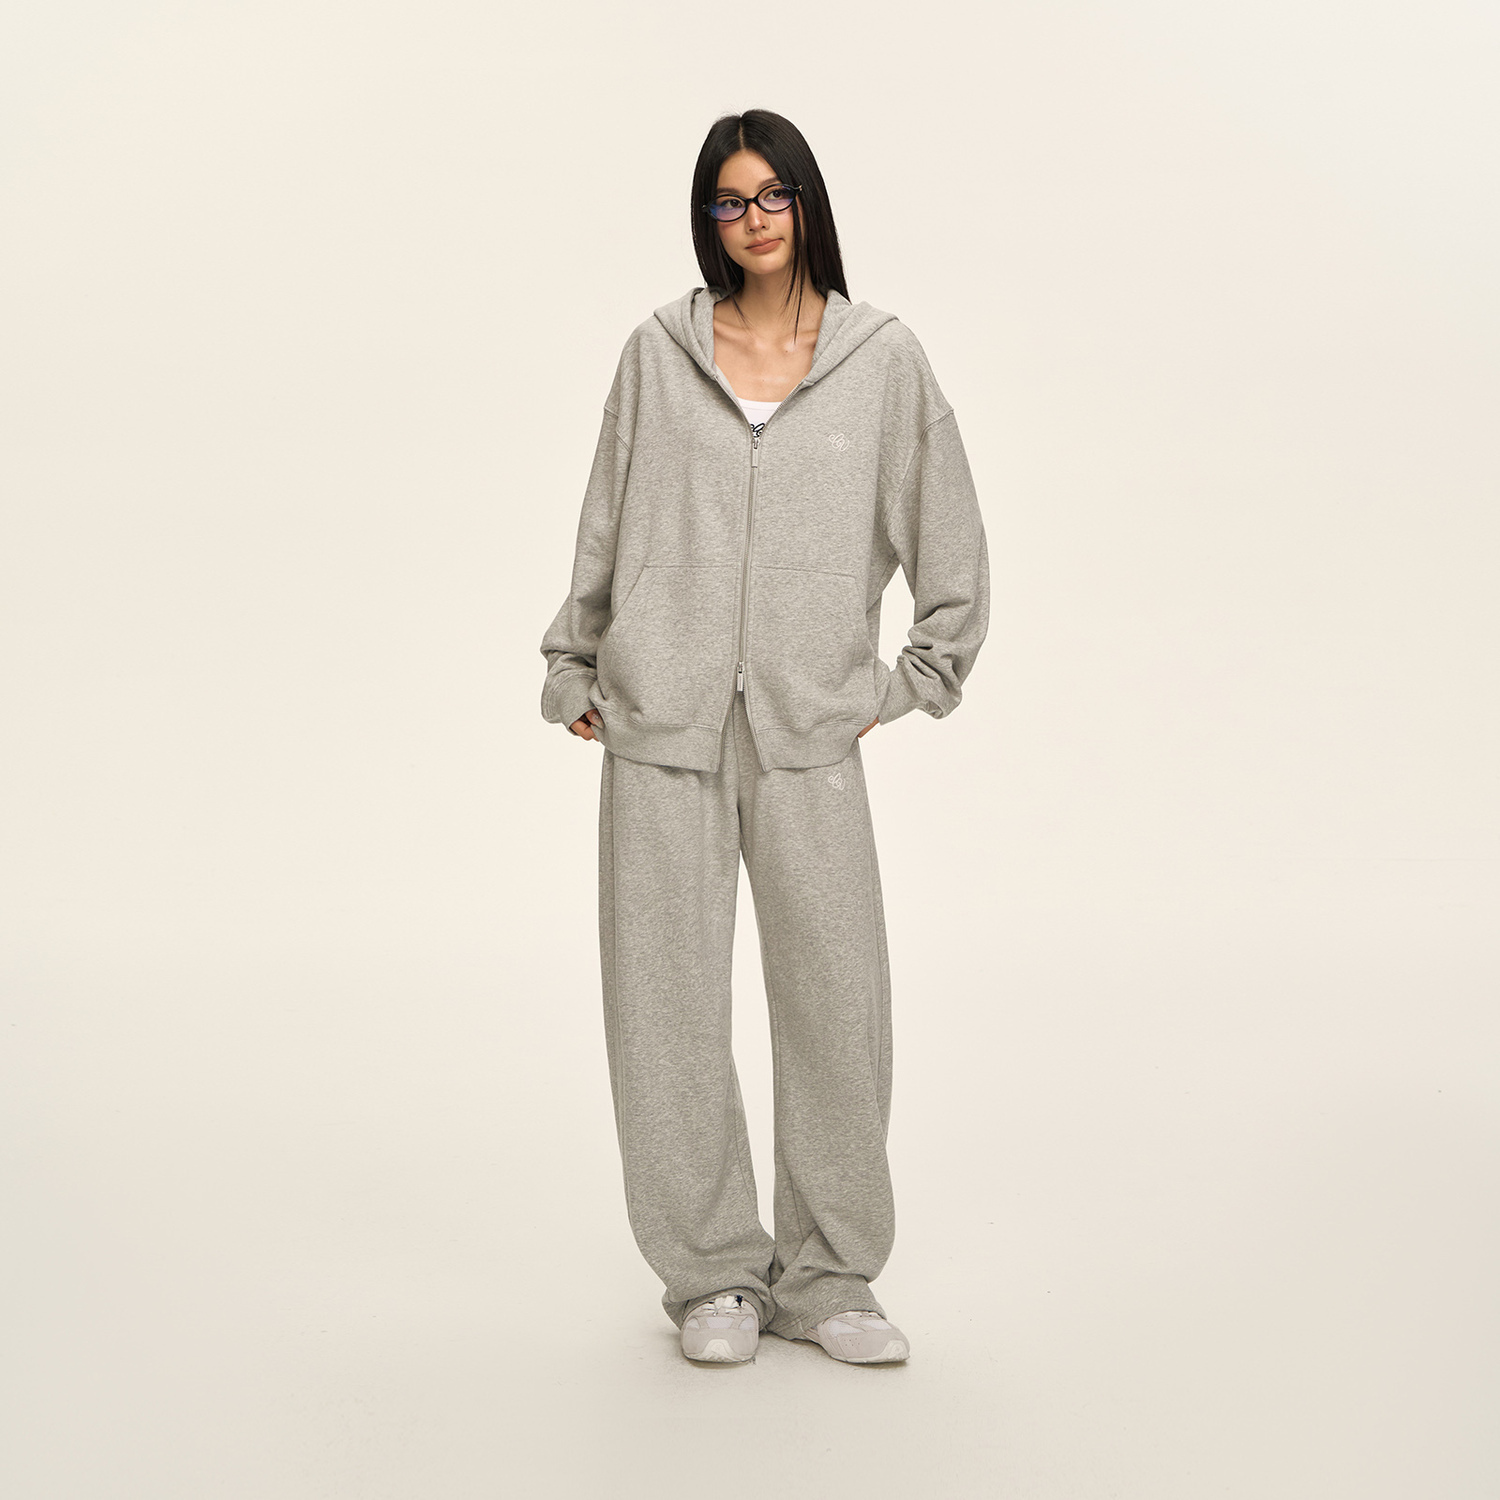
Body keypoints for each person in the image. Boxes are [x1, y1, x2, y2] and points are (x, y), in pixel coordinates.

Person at [539, 108, 990, 1365]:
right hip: (661, 725)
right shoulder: (656, 354)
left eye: (773, 194)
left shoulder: (882, 361)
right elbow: (607, 514)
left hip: (807, 732)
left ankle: (832, 1279)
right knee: (666, 1012)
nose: (754, 219)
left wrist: (905, 682)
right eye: (731, 200)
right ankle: (712, 1280)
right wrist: (575, 659)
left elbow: (951, 549)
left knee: (837, 1004)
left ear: (807, 201)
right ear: (710, 218)